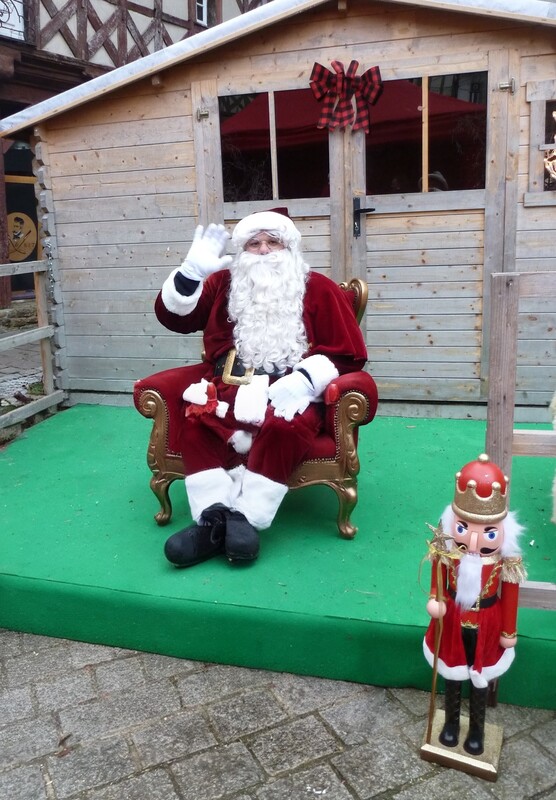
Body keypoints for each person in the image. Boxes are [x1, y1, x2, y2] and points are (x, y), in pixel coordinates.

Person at [155, 209, 368, 568]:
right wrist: (191, 274)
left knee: (285, 427)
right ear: (242, 251)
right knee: (196, 423)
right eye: (253, 243)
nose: (264, 250)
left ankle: (247, 517)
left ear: (290, 247)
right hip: (228, 387)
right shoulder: (222, 284)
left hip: (292, 391)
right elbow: (175, 318)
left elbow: (350, 353)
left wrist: (305, 381)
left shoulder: (319, 287)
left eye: (273, 242)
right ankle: (214, 518)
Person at [423, 454, 527, 756]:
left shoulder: (505, 561)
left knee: (480, 678)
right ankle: (451, 724)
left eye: (488, 531)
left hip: (489, 622)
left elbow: (511, 594)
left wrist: (509, 631)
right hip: (453, 618)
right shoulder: (448, 552)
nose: (473, 539)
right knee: (452, 672)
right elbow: (438, 574)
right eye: (464, 527)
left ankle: (477, 729)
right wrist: (435, 598)